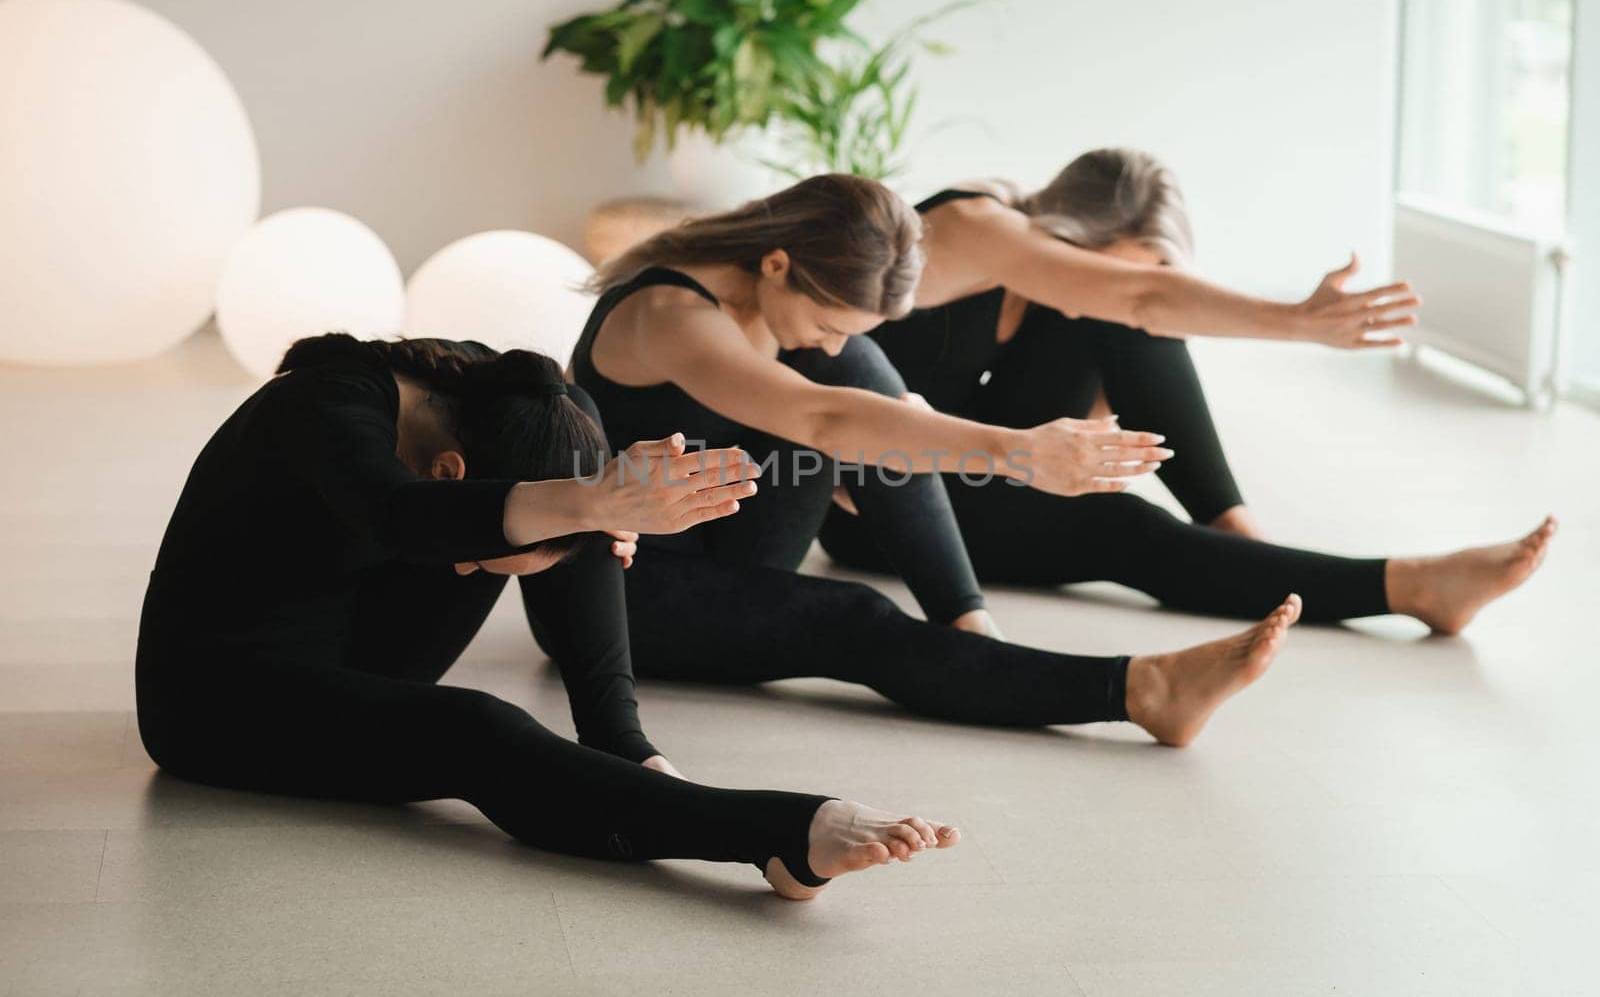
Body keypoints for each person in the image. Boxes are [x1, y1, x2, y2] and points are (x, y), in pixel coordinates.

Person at [134, 332, 958, 901]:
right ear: (451, 468)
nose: (477, 577)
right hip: (221, 696)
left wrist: (604, 505)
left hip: (359, 639)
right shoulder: (321, 409)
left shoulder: (507, 394)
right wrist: (592, 498)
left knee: (577, 485)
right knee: (477, 729)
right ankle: (773, 832)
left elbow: (532, 502)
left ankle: (625, 750)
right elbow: (399, 517)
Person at [570, 172, 1306, 749]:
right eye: (825, 320)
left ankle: (969, 631)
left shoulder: (786, 302)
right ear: (776, 262)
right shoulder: (670, 316)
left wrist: (906, 419)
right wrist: (1016, 454)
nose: (825, 341)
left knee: (860, 370)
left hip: (736, 530)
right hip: (635, 591)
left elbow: (843, 399)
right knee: (852, 611)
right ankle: (1141, 691)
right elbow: (816, 416)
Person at [818, 150, 1555, 631]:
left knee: (1129, 328)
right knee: (1121, 526)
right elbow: (1142, 298)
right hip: (880, 501)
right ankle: (1410, 586)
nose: (1137, 287)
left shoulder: (1060, 279)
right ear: (1074, 233)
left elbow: (1135, 315)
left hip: (988, 448)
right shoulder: (978, 224)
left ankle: (1242, 544)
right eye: (1131, 269)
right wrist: (1297, 322)